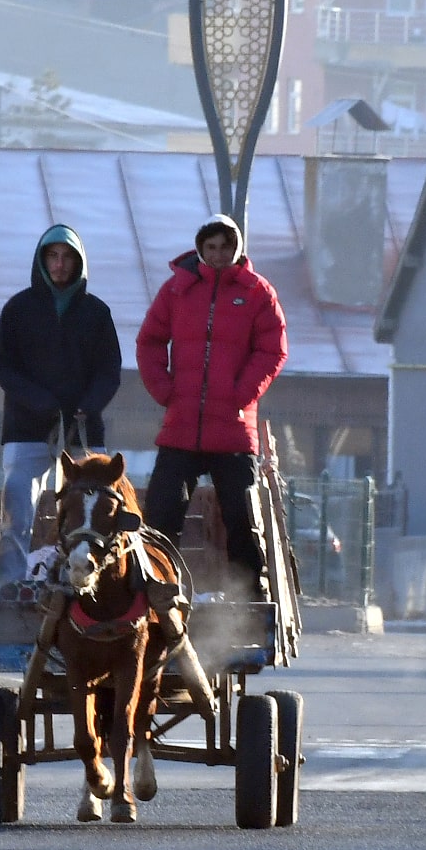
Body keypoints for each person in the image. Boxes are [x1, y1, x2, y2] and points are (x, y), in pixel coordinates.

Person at [136, 214, 288, 593]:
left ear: (237, 249)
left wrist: (240, 395)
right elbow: (149, 341)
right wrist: (164, 390)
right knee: (161, 510)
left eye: (226, 247)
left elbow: (273, 349)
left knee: (242, 516)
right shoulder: (176, 290)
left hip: (234, 428)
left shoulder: (257, 292)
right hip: (182, 423)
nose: (219, 255)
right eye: (211, 247)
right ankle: (154, 589)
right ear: (201, 249)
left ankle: (252, 597)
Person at [0, 225, 122, 582]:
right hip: (27, 426)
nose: (60, 264)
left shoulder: (96, 313)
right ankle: (10, 585)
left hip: (81, 427)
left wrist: (88, 405)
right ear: (42, 260)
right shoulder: (18, 309)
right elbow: (2, 365)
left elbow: (110, 370)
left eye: (67, 257)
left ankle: (92, 583)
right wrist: (39, 401)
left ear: (79, 262)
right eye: (53, 256)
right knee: (16, 506)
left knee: (94, 508)